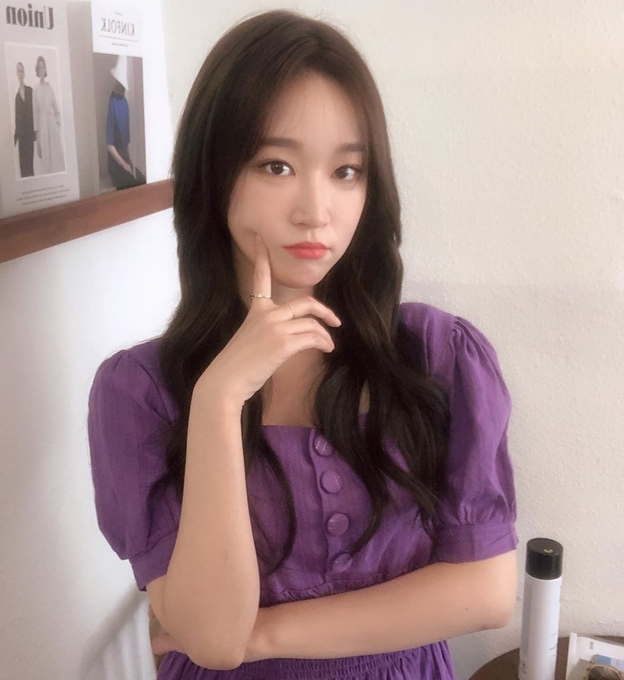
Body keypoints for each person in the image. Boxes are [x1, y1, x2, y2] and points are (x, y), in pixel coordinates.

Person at [87, 9, 518, 680]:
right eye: (277, 165)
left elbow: (485, 591)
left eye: (347, 171)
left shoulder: (436, 354)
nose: (316, 211)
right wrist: (220, 398)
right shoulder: (140, 390)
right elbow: (214, 639)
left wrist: (266, 635)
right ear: (212, 173)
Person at [106, 55, 146, 190]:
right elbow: (110, 146)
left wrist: (131, 164)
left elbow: (126, 143)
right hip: (116, 163)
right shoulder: (113, 102)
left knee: (142, 179)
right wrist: (125, 165)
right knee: (134, 185)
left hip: (125, 158)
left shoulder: (124, 102)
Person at [33, 55, 65, 175]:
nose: (41, 70)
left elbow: (56, 110)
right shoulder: (35, 90)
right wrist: (37, 140)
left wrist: (57, 125)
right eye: (39, 68)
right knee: (46, 161)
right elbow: (35, 115)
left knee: (57, 159)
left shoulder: (49, 88)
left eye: (43, 67)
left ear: (45, 69)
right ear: (37, 70)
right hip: (43, 129)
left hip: (52, 128)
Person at [13, 62, 35, 178]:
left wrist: (36, 133)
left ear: (24, 73)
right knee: (23, 165)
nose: (20, 74)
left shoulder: (30, 91)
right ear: (16, 74)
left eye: (21, 71)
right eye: (18, 71)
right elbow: (17, 119)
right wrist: (14, 138)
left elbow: (35, 112)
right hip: (21, 136)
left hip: (29, 135)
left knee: (30, 164)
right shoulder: (17, 97)